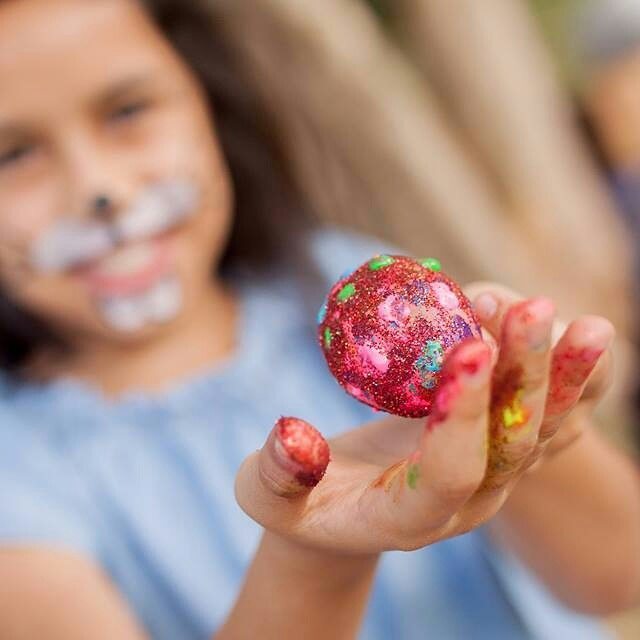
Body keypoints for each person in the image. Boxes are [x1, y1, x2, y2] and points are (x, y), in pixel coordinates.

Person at [0, 1, 638, 638]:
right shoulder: (19, 479)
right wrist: (317, 547)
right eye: (13, 155)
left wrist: (539, 433)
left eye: (128, 110)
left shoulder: (355, 286)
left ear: (210, 99)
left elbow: (618, 571)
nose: (96, 187)